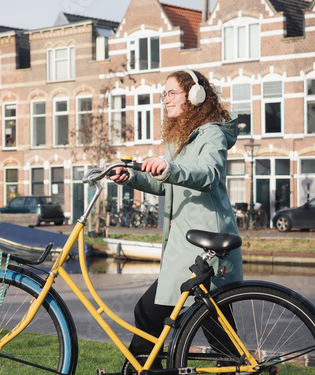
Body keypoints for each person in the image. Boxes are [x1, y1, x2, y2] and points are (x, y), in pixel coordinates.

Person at [110, 69, 243, 369]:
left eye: (171, 93)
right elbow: (163, 184)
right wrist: (131, 177)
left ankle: (141, 367)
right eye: (163, 95)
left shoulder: (212, 132)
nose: (165, 100)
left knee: (160, 314)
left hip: (203, 242)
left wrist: (170, 169)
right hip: (185, 245)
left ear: (194, 95)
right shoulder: (180, 139)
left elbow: (210, 174)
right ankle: (145, 366)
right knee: (210, 324)